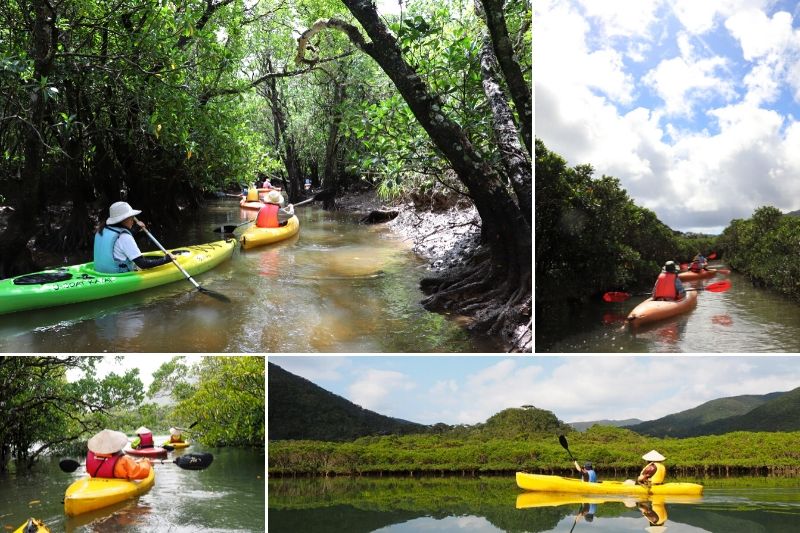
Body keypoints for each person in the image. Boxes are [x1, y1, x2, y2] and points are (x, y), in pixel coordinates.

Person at [94, 201, 175, 273]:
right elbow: (143, 264)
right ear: (123, 219)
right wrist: (166, 259)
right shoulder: (125, 237)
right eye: (131, 217)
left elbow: (119, 243)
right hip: (118, 274)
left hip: (100, 271)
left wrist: (136, 229)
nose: (133, 219)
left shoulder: (103, 229)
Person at [86, 428, 151, 480]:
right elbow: (140, 472)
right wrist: (146, 461)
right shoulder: (125, 460)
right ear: (115, 444)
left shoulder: (91, 457)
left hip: (97, 481)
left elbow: (88, 470)